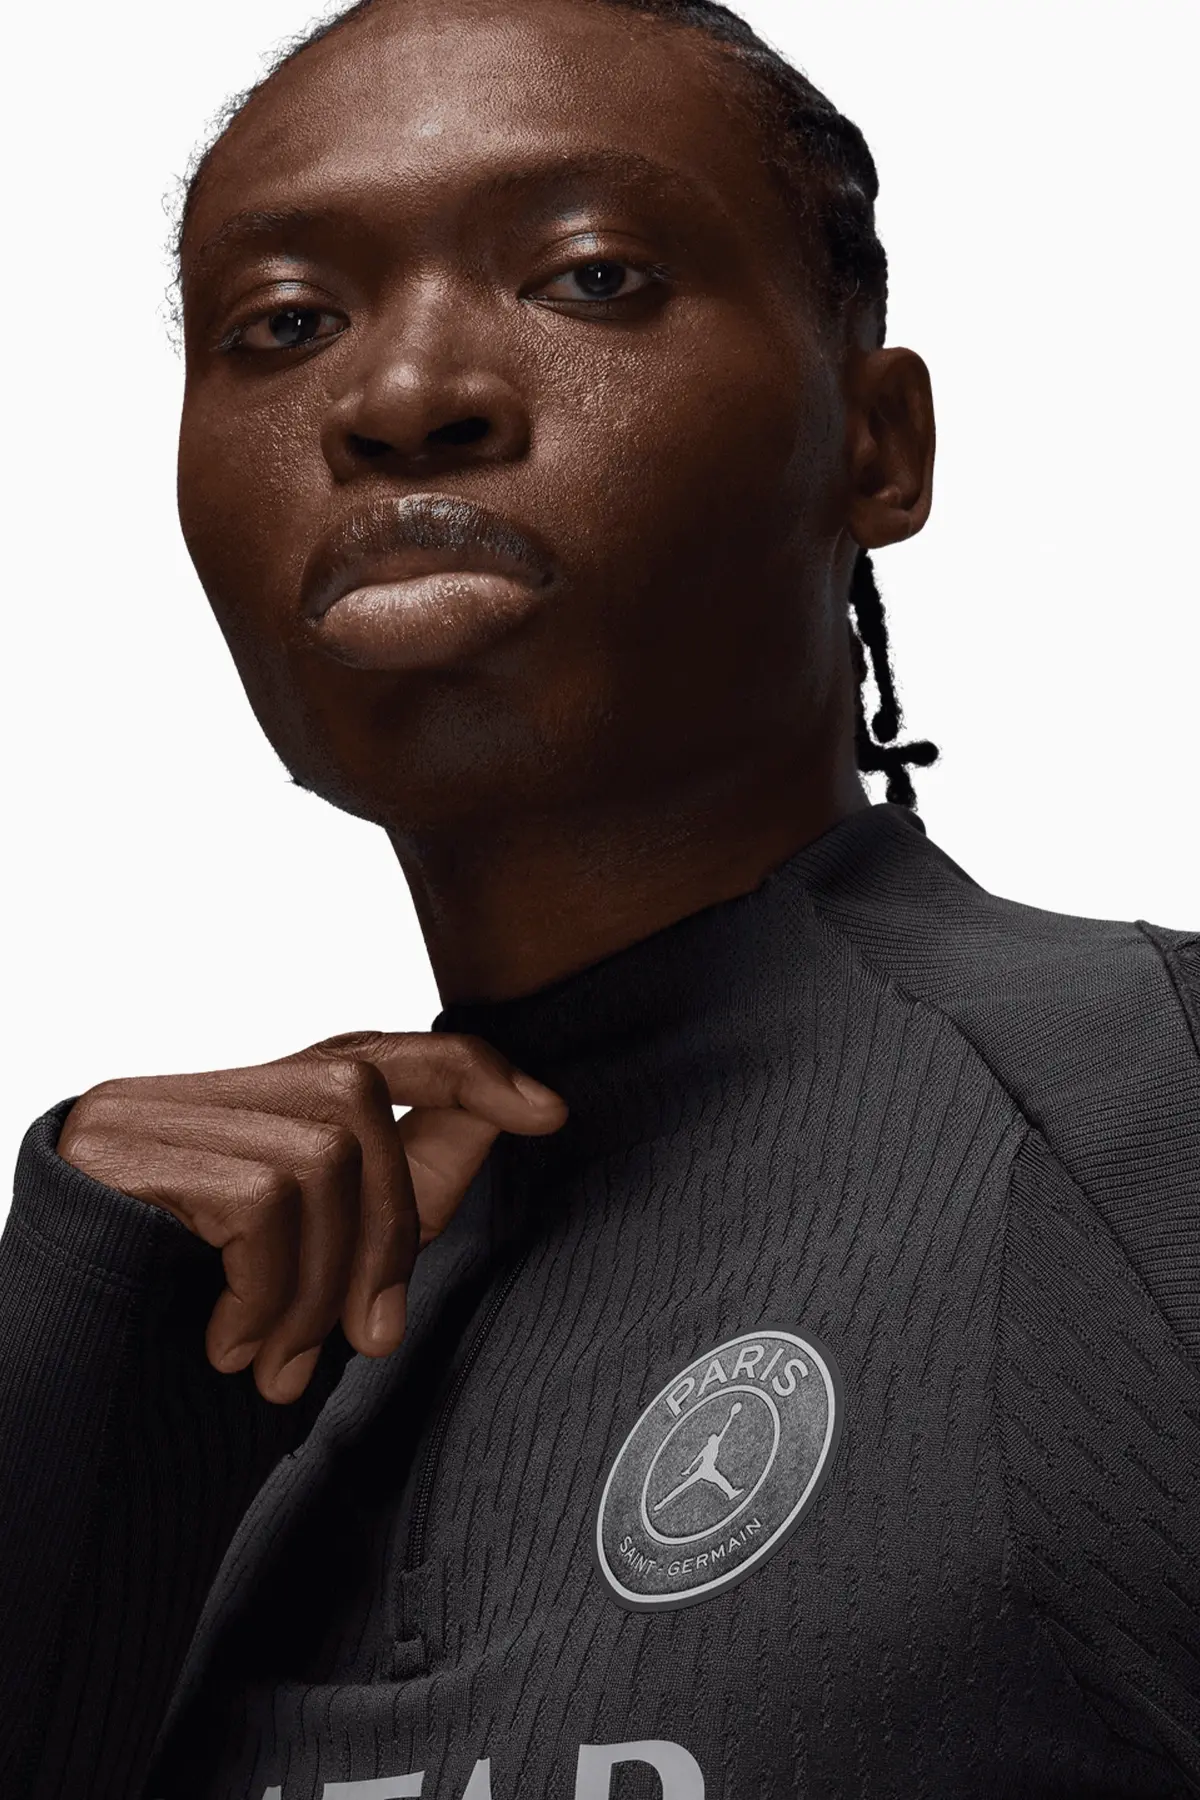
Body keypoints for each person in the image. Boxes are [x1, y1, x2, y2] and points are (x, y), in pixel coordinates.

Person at [1, 0, 1197, 1794]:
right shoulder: (184, 1321)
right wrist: (64, 1343)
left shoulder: (1149, 1129)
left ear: (877, 448)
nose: (402, 398)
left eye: (592, 278)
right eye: (286, 324)